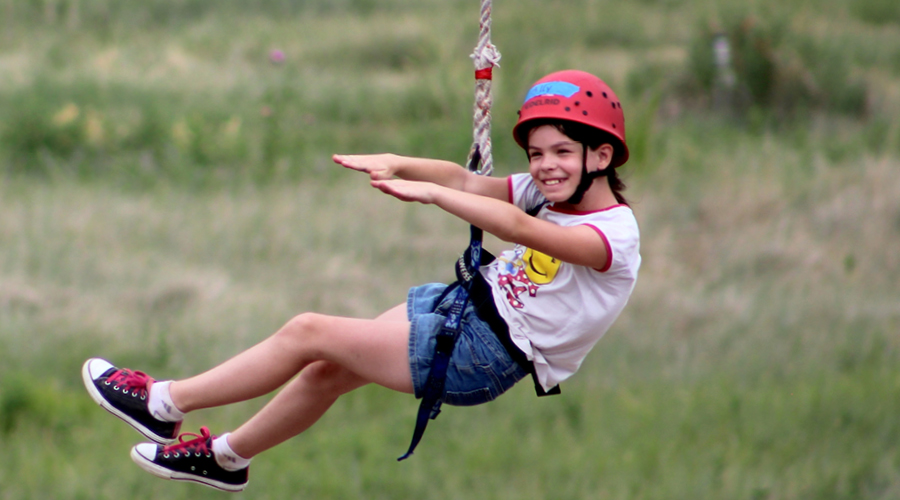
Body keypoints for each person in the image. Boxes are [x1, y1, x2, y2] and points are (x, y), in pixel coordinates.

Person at [81, 69, 640, 492]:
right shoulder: (547, 192)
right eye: (537, 153)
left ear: (601, 155)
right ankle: (227, 459)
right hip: (463, 306)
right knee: (327, 368)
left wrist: (433, 196)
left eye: (562, 152)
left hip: (483, 352)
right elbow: (467, 181)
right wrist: (398, 162)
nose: (545, 166)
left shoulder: (614, 237)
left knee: (308, 331)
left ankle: (162, 403)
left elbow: (518, 228)